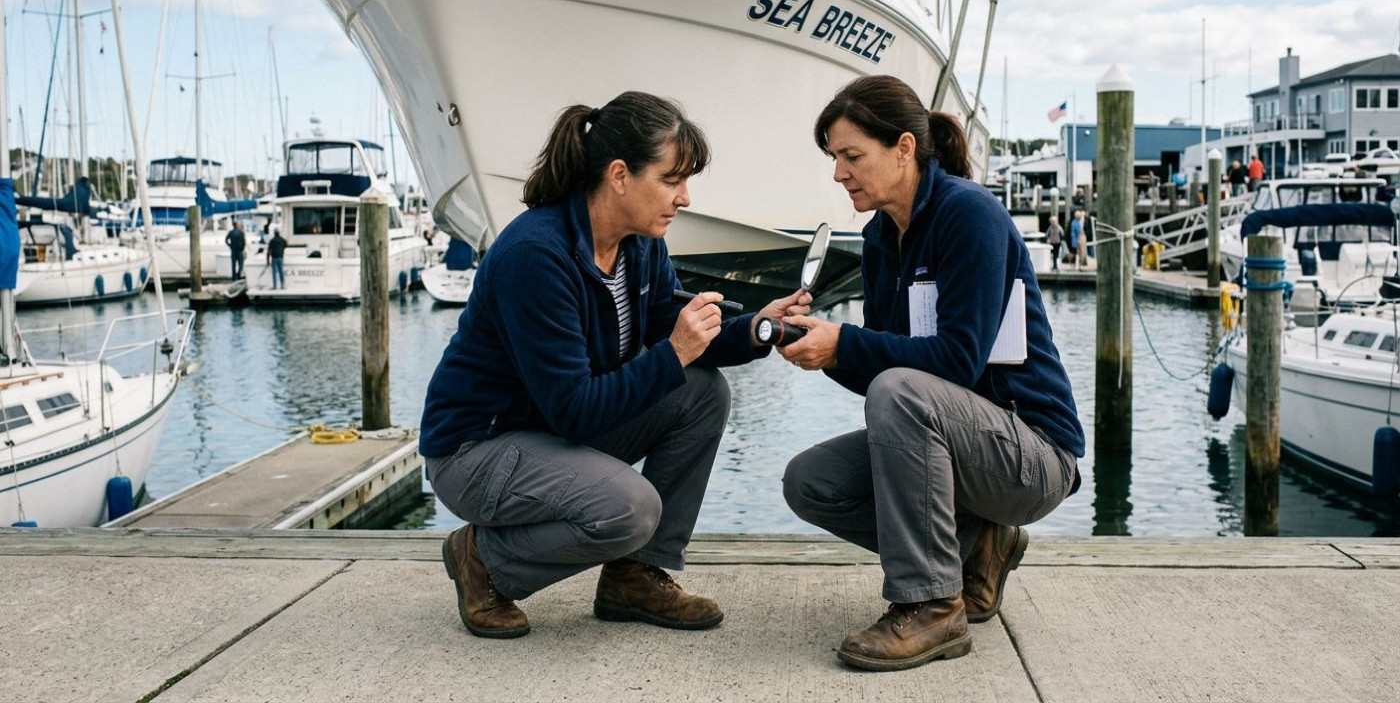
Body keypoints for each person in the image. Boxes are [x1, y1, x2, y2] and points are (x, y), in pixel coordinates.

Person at [420, 91, 810, 640]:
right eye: (672, 180)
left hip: (548, 432)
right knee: (629, 509)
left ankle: (635, 576)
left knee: (703, 392)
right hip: (476, 450)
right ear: (620, 175)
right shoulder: (536, 257)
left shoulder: (636, 242)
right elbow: (575, 412)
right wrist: (672, 352)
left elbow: (668, 321)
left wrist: (756, 329)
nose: (686, 197)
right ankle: (483, 559)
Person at [775, 76, 1083, 672]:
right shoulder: (879, 238)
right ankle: (979, 546)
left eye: (852, 155)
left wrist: (849, 343)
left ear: (905, 149)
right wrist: (822, 350)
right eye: (835, 158)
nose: (839, 173)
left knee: (900, 390)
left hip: (1034, 452)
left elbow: (958, 361)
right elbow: (886, 373)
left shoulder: (969, 215)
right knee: (810, 482)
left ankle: (932, 606)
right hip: (960, 444)